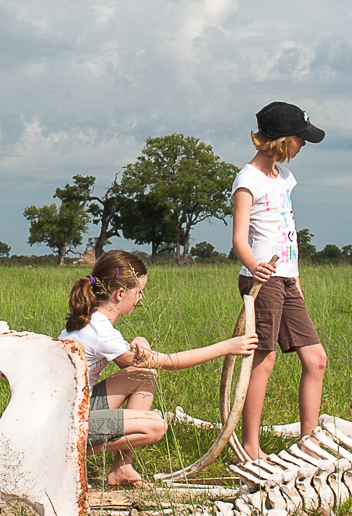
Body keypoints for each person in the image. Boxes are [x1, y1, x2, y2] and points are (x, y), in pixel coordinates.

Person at [60, 249, 257, 486]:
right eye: (139, 292)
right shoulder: (102, 332)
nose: (140, 298)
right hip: (67, 422)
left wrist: (139, 339)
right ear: (120, 293)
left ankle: (122, 468)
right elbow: (169, 362)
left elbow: (135, 361)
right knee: (155, 426)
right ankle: (66, 454)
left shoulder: (90, 320)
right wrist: (226, 347)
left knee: (144, 376)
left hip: (70, 408)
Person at [230, 101, 328, 460]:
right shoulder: (248, 179)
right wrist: (254, 265)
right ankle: (251, 446)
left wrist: (296, 276)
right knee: (264, 358)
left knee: (316, 359)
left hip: (287, 279)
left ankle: (310, 441)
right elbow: (239, 237)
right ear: (282, 140)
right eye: (299, 139)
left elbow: (288, 230)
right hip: (262, 280)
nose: (302, 146)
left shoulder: (285, 178)